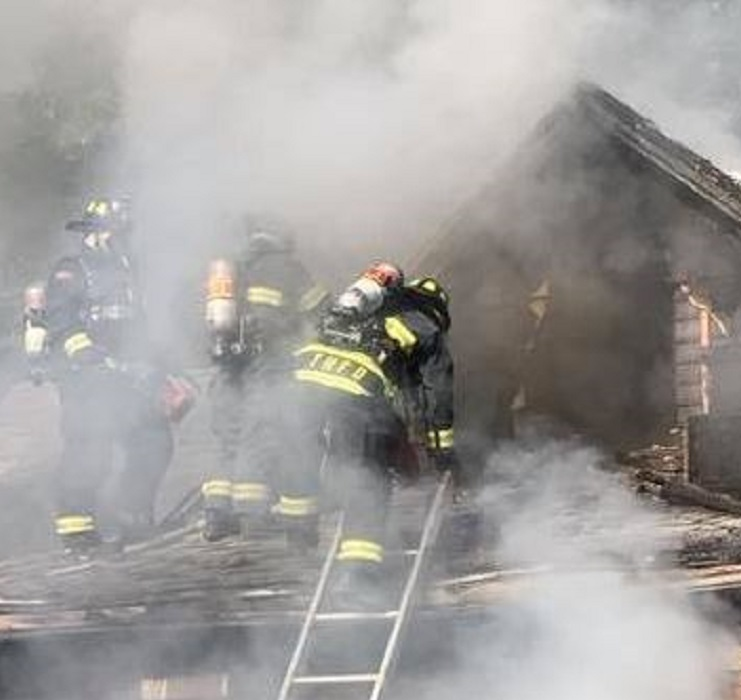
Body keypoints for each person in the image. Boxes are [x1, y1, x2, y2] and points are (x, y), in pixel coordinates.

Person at [278, 262, 455, 602]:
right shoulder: (426, 325)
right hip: (356, 389)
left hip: (302, 377)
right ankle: (358, 574)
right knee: (367, 477)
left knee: (302, 453)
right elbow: (438, 391)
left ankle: (298, 530)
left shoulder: (366, 312)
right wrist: (442, 449)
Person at [27, 197, 187, 555]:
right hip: (86, 379)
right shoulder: (71, 270)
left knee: (153, 442)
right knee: (89, 446)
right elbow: (62, 319)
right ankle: (77, 529)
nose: (123, 237)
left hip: (126, 376)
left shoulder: (128, 271)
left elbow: (139, 329)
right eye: (117, 230)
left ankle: (132, 516)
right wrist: (83, 351)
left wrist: (166, 372)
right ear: (96, 233)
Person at [200, 215, 328, 541]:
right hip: (267, 362)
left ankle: (217, 512)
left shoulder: (232, 268)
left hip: (227, 363)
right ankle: (253, 512)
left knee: (229, 436)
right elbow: (322, 312)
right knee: (261, 433)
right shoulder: (287, 267)